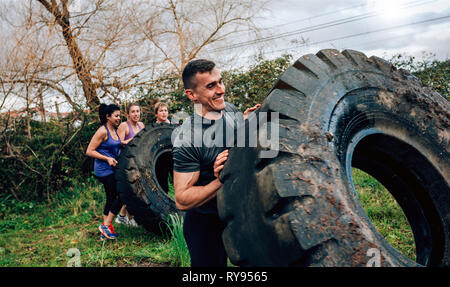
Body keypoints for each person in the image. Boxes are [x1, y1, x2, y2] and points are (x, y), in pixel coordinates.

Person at [172, 59, 259, 266]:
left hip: (239, 212)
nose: (221, 90)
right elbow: (182, 199)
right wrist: (221, 179)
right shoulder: (188, 138)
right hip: (206, 224)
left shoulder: (228, 110)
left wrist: (247, 124)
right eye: (211, 86)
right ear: (192, 95)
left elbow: (237, 140)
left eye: (220, 82)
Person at [86, 103, 123, 240]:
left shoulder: (114, 129)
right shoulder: (102, 131)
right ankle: (106, 225)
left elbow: (115, 146)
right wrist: (106, 158)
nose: (119, 118)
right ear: (108, 116)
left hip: (112, 168)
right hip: (103, 170)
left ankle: (105, 232)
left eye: (119, 115)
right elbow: (89, 151)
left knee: (111, 197)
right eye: (116, 116)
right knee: (121, 194)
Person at [116, 103, 145, 227]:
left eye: (137, 111)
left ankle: (123, 217)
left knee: (137, 190)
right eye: (133, 112)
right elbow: (118, 143)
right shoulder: (124, 126)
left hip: (138, 162)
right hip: (125, 163)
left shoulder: (142, 125)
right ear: (128, 114)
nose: (136, 114)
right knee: (130, 190)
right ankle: (128, 217)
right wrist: (131, 140)